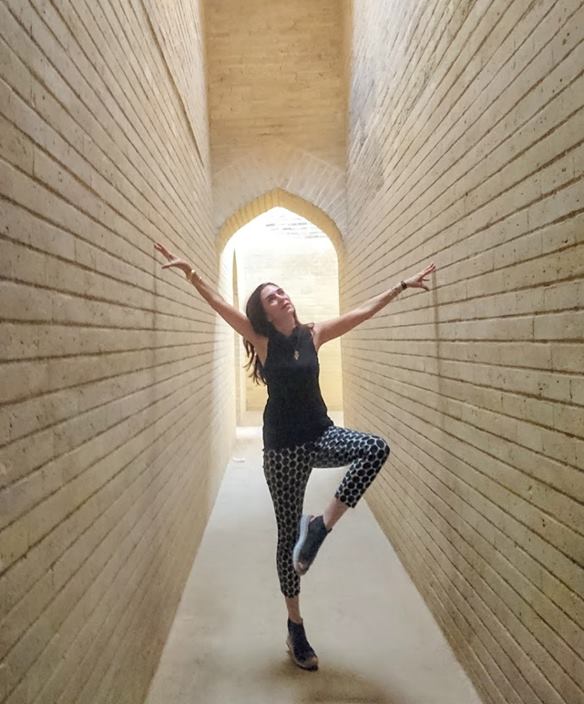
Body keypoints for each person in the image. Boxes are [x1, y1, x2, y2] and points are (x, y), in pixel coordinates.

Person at [154, 241, 436, 671]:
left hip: (321, 435)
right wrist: (191, 272)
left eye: (282, 291)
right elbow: (219, 305)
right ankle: (295, 627)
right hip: (282, 450)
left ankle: (320, 526)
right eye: (272, 297)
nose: (281, 297)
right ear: (265, 313)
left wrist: (400, 286)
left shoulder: (313, 333)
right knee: (287, 538)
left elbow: (361, 313)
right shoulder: (262, 340)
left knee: (375, 448)